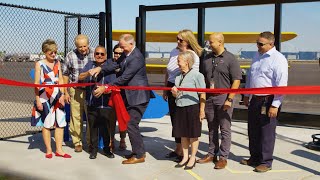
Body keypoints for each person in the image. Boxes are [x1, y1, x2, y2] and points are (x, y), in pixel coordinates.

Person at [91, 34, 152, 164]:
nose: (121, 49)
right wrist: (100, 68)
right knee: (130, 124)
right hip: (131, 96)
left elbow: (125, 77)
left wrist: (106, 87)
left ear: (130, 44)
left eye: (123, 46)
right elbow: (115, 65)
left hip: (138, 97)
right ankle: (138, 151)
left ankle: (139, 155)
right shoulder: (127, 54)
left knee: (131, 124)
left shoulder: (136, 57)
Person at [241, 31, 288, 173]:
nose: (258, 46)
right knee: (253, 130)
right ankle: (254, 158)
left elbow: (282, 84)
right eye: (257, 43)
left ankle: (266, 161)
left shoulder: (278, 59)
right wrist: (246, 95)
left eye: (261, 44)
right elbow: (250, 77)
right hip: (255, 98)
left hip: (269, 100)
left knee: (267, 132)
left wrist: (275, 105)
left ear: (271, 44)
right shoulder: (257, 56)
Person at [197, 33, 242, 169]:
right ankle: (212, 154)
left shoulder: (230, 58)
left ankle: (223, 157)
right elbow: (204, 80)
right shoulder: (206, 58)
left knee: (225, 129)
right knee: (211, 127)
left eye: (211, 42)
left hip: (224, 97)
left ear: (220, 42)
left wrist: (229, 99)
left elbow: (236, 81)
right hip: (210, 97)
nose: (209, 44)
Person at [163, 29, 202, 161]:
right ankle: (178, 148)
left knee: (184, 121)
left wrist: (181, 90)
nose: (178, 42)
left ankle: (186, 153)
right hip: (171, 86)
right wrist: (165, 88)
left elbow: (192, 76)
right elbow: (167, 71)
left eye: (181, 40)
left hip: (183, 88)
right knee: (175, 119)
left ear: (188, 41)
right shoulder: (174, 52)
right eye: (177, 39)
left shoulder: (192, 55)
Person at [31, 39, 71, 159]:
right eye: (51, 53)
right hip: (44, 97)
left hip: (58, 96)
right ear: (45, 52)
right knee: (47, 123)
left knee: (60, 123)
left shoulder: (57, 63)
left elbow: (61, 79)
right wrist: (38, 99)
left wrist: (63, 94)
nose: (53, 55)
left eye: (55, 52)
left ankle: (59, 150)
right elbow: (36, 83)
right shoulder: (39, 64)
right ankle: (49, 150)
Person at [78, 46, 115, 159]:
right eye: (97, 53)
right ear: (94, 55)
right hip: (92, 103)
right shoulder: (90, 65)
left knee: (105, 129)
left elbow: (114, 84)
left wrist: (105, 89)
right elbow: (80, 77)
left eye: (102, 54)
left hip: (106, 105)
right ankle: (93, 150)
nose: (99, 56)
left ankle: (107, 149)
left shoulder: (110, 66)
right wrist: (88, 73)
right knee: (93, 128)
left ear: (106, 56)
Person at [171, 51, 206, 170]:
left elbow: (202, 94)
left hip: (192, 107)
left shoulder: (197, 75)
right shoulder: (178, 77)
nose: (177, 64)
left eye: (179, 61)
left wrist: (202, 110)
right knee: (183, 134)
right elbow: (178, 95)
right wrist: (175, 94)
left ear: (186, 62)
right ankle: (185, 157)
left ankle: (193, 157)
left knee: (193, 134)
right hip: (180, 107)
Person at [62, 34, 94, 153]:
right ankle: (77, 142)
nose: (82, 48)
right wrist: (65, 92)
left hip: (90, 90)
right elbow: (65, 74)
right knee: (75, 116)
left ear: (88, 44)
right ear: (76, 46)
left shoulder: (94, 54)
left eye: (84, 46)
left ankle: (91, 141)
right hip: (75, 89)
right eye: (80, 46)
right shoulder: (70, 56)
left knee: (91, 116)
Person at [108, 44, 127, 152]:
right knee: (111, 119)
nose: (118, 55)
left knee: (122, 119)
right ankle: (111, 140)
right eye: (116, 53)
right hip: (110, 95)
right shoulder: (109, 63)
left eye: (120, 53)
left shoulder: (126, 64)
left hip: (123, 95)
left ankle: (122, 139)